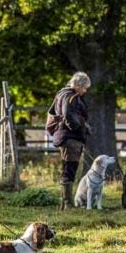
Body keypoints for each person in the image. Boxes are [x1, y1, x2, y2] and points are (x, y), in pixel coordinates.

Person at [50, 71, 91, 210]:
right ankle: (68, 204)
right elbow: (68, 114)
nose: (85, 91)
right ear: (78, 85)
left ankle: (64, 204)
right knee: (70, 169)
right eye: (84, 88)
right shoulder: (71, 96)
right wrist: (78, 127)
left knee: (67, 169)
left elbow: (52, 113)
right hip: (71, 137)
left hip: (65, 136)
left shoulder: (61, 93)